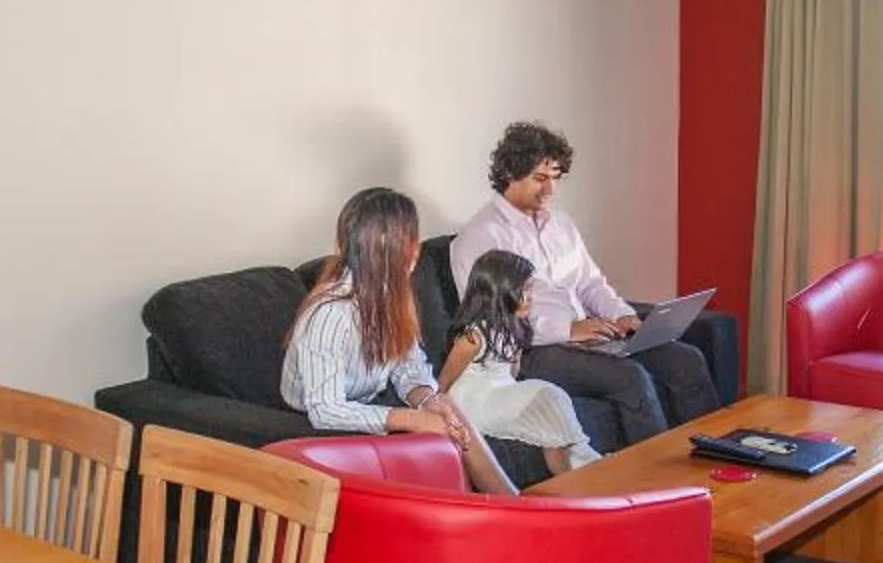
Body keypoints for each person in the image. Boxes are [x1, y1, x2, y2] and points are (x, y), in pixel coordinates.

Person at [448, 121, 720, 446]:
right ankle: (658, 486)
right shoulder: (479, 237)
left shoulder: (561, 224)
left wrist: (623, 317)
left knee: (686, 360)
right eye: (540, 178)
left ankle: (716, 460)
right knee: (630, 378)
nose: (550, 190)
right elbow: (491, 320)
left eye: (555, 177)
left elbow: (591, 282)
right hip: (535, 349)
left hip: (590, 337)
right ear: (509, 174)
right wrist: (569, 329)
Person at [282, 187, 515, 494]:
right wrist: (411, 419)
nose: (417, 247)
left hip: (364, 402)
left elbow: (408, 367)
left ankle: (508, 503)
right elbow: (326, 409)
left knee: (444, 408)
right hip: (311, 420)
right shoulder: (331, 312)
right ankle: (505, 508)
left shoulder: (391, 296)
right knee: (436, 435)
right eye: (411, 239)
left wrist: (427, 400)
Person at [439, 250, 601, 477]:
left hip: (503, 392)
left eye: (530, 288)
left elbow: (512, 374)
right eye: (523, 290)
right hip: (475, 403)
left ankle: (583, 472)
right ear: (499, 291)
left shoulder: (515, 327)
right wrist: (442, 415)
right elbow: (443, 382)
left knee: (551, 417)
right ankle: (577, 476)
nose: (531, 296)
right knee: (548, 394)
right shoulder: (473, 336)